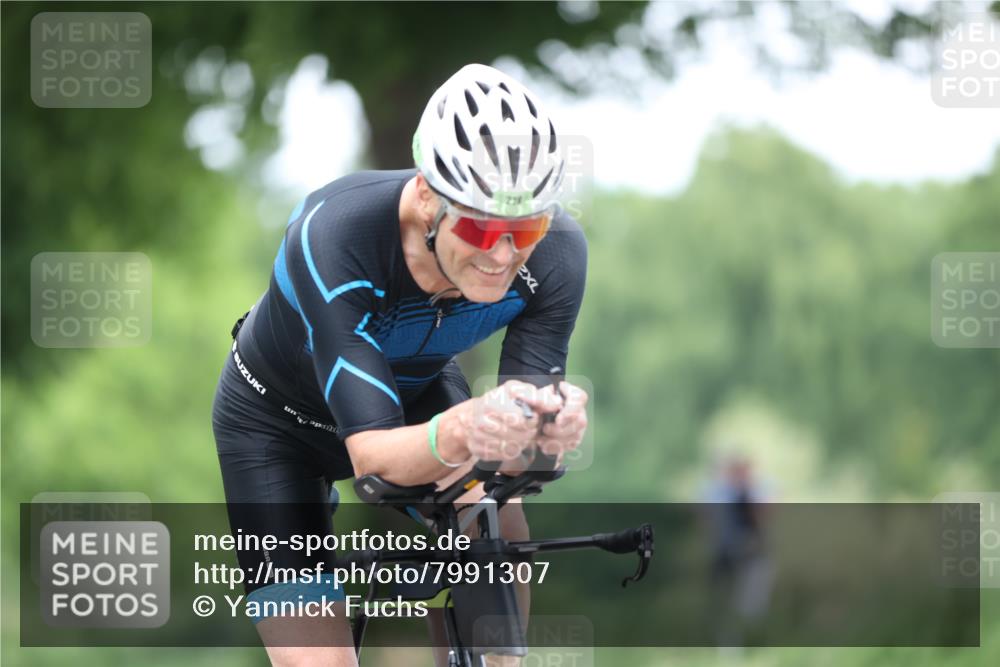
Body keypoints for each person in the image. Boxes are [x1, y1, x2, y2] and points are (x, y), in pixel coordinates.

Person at [211, 63, 590, 667]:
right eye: (478, 224)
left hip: (412, 392)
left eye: (526, 227)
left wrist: (547, 432)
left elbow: (517, 453)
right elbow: (375, 458)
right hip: (273, 427)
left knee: (495, 506)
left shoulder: (558, 255)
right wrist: (468, 427)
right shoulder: (334, 234)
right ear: (424, 195)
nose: (502, 253)